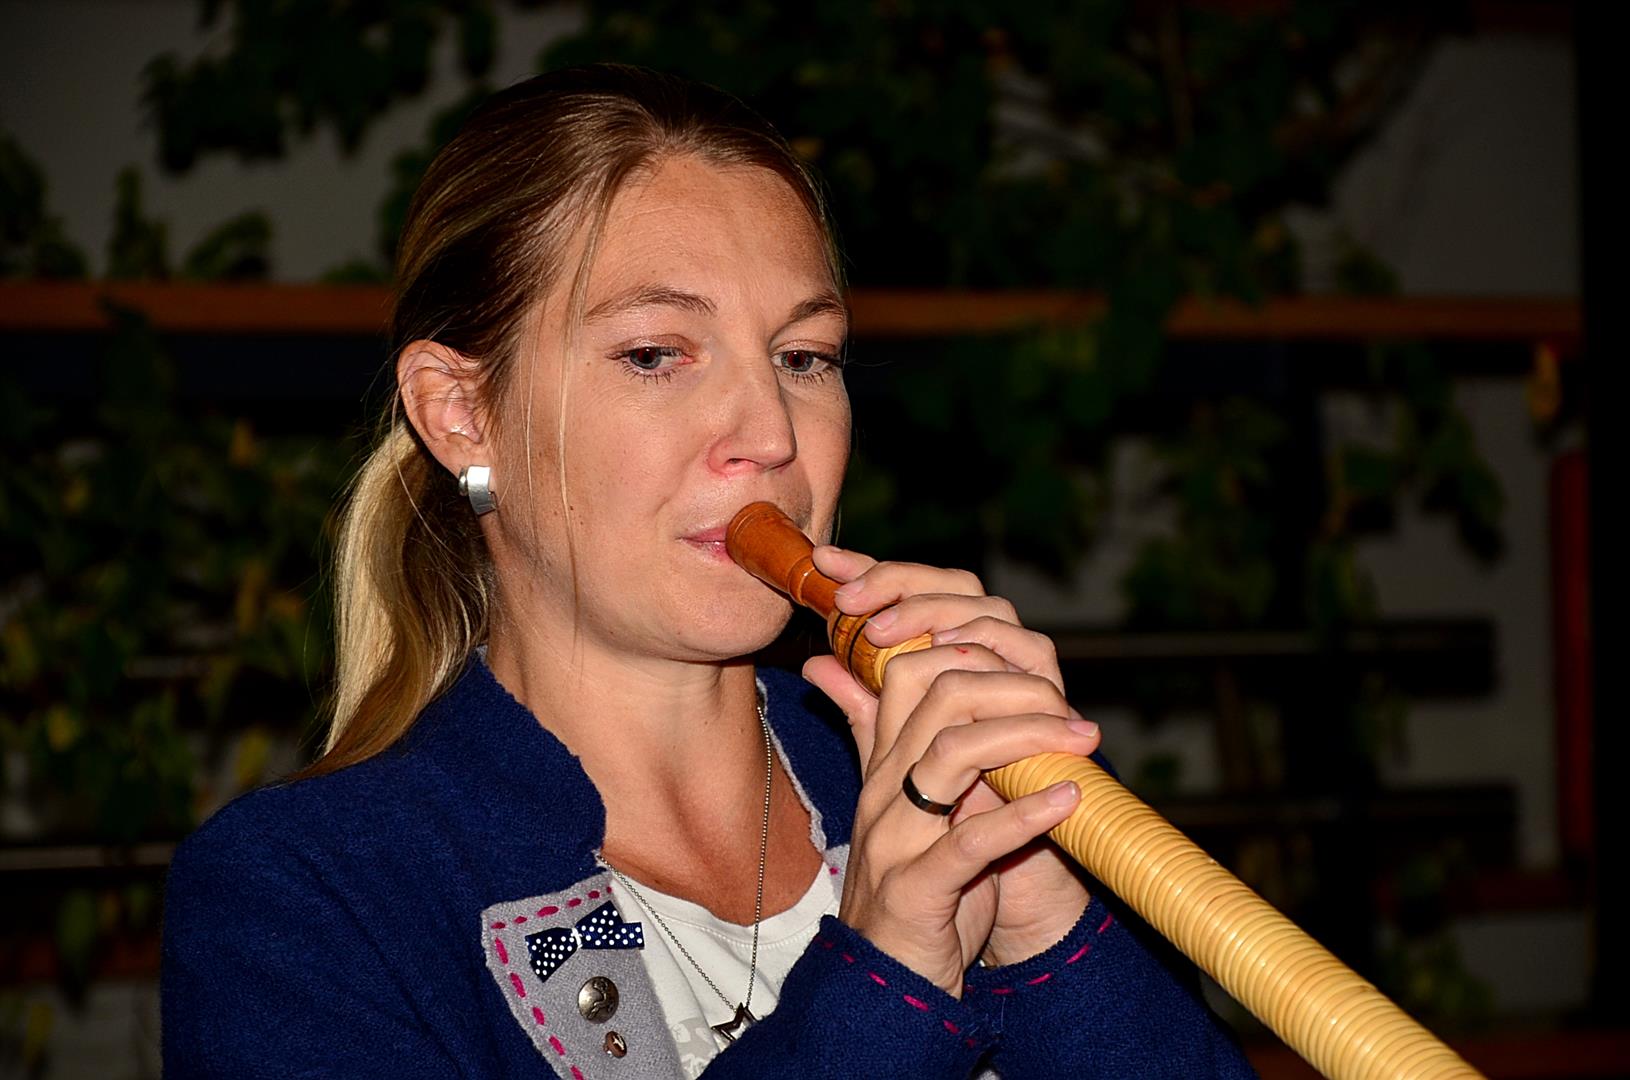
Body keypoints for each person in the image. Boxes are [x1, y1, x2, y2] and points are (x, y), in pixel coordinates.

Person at [160, 64, 1254, 1079]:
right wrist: (886, 977)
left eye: (804, 357)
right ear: (460, 413)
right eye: (656, 355)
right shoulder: (311, 896)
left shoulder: (933, 783)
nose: (771, 434)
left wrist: (1047, 923)